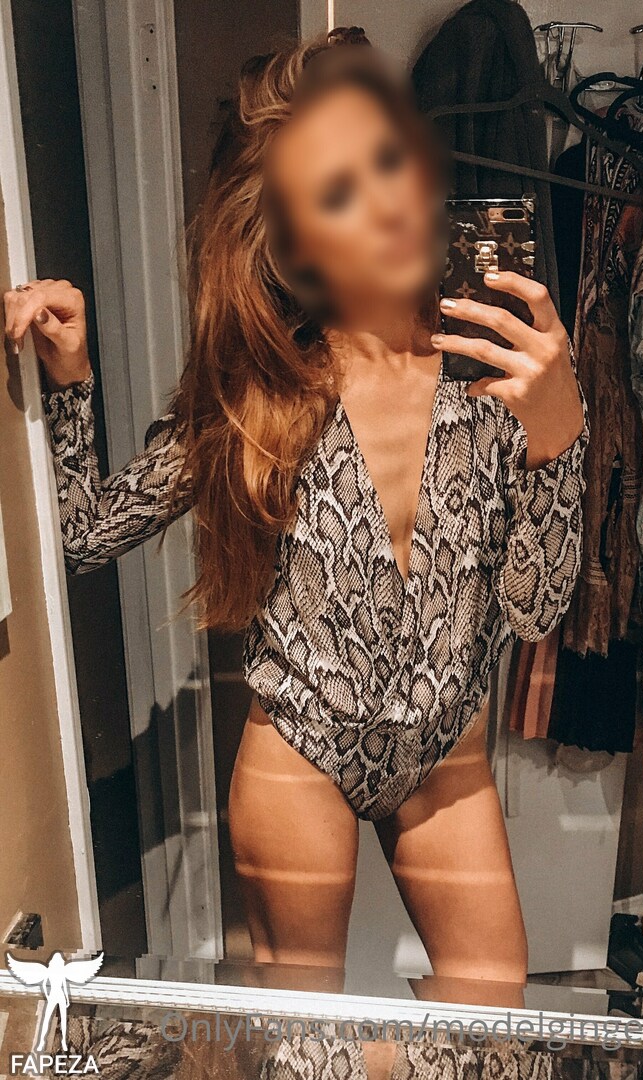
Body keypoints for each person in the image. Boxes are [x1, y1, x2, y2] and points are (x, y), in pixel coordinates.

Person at [4, 30, 586, 1009]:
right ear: (292, 243)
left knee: (492, 1020)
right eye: (338, 193)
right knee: (300, 1037)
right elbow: (86, 534)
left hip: (446, 758)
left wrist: (559, 433)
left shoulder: (493, 361)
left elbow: (537, 608)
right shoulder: (262, 395)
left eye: (389, 161)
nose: (388, 204)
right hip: (300, 752)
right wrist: (72, 382)